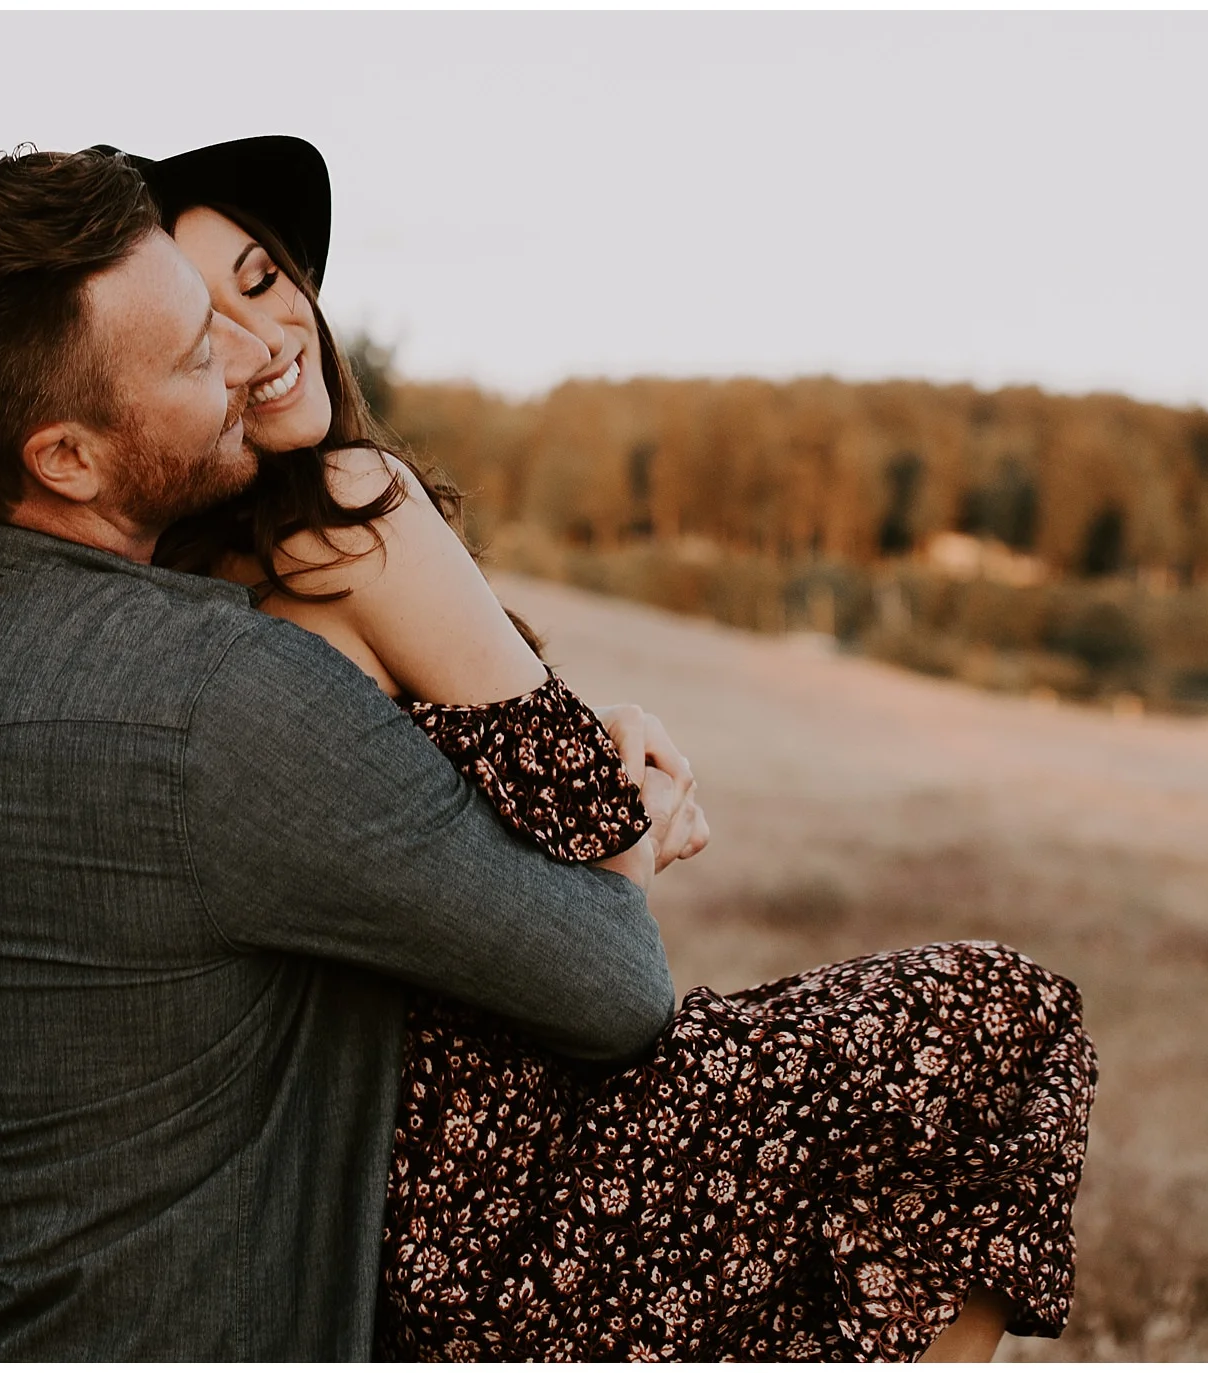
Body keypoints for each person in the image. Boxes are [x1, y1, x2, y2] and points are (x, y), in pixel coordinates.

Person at [131, 135, 1098, 1362]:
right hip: (502, 1180)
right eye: (204, 326)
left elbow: (539, 776)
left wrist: (607, 758)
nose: (264, 338)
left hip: (376, 1193)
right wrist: (623, 798)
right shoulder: (350, 512)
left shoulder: (201, 576)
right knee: (1001, 1018)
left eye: (264, 279)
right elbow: (595, 835)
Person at [0, 146, 705, 1361]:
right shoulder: (211, 697)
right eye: (193, 351)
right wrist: (633, 825)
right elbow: (614, 989)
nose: (248, 355)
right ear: (64, 457)